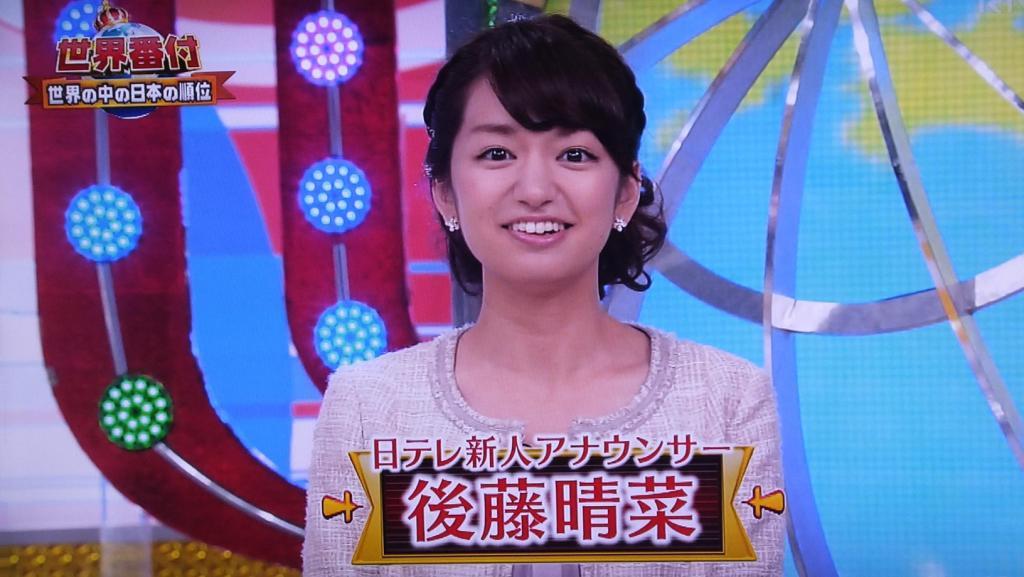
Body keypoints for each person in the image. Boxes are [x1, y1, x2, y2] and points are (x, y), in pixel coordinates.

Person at [303, 14, 783, 577]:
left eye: (574, 154)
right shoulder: (368, 407)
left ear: (625, 194)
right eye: (496, 154)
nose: (534, 190)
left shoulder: (727, 400)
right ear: (446, 194)